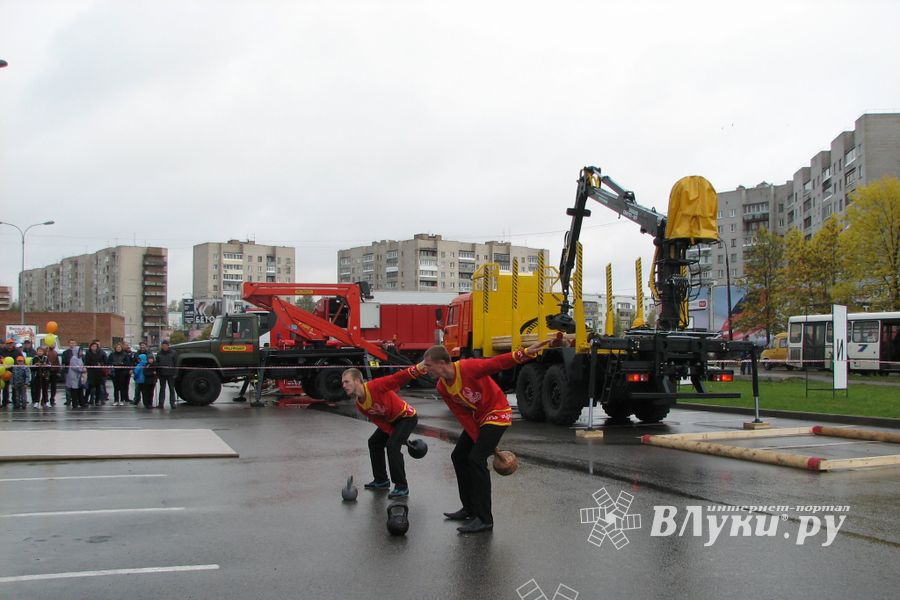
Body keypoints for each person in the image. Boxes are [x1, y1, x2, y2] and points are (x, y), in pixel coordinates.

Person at [420, 339, 549, 534]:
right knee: (459, 456)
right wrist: (478, 437)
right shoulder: (442, 387)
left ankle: (484, 519)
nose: (425, 369)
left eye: (428, 365)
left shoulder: (467, 368)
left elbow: (495, 363)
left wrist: (523, 353)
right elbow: (463, 416)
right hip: (479, 418)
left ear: (442, 363)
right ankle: (469, 509)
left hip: (497, 412)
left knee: (476, 459)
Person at [341, 364, 422, 499]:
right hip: (391, 421)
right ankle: (381, 480)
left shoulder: (375, 386)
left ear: (358, 381)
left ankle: (401, 486)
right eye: (342, 382)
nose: (343, 385)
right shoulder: (360, 404)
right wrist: (394, 434)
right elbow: (382, 423)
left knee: (392, 446)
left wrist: (417, 369)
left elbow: (396, 379)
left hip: (406, 417)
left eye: (346, 381)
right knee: (374, 442)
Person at [155, 340, 178, 409]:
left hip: (171, 374)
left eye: (165, 345)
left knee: (171, 389)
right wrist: (157, 373)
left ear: (168, 345)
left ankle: (172, 403)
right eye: (163, 345)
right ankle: (161, 404)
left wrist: (175, 373)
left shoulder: (173, 353)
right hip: (162, 374)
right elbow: (157, 363)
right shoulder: (159, 353)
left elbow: (176, 364)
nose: (164, 347)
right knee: (162, 389)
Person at [1, 338, 23, 407]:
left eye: (11, 343)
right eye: (8, 344)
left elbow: (22, 359)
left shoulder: (17, 351)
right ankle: (5, 402)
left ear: (13, 344)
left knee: (15, 387)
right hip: (5, 371)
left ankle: (15, 402)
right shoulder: (1, 350)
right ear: (6, 344)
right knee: (5, 387)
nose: (10, 345)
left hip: (15, 371)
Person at [83, 341, 107, 406]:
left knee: (98, 387)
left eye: (95, 346)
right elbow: (87, 362)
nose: (94, 347)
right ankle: (85, 400)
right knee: (89, 387)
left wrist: (101, 364)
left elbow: (104, 361)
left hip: (99, 372)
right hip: (91, 372)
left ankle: (97, 400)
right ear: (90, 347)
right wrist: (95, 364)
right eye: (93, 346)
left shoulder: (100, 353)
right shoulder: (88, 353)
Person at [61, 339, 77, 406]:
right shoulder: (65, 352)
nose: (72, 344)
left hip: (76, 372)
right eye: (71, 343)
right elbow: (64, 361)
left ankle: (75, 400)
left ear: (75, 344)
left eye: (73, 343)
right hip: (67, 371)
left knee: (75, 386)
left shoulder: (77, 352)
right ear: (68, 344)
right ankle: (68, 400)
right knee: (68, 387)